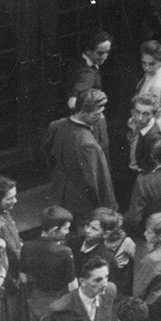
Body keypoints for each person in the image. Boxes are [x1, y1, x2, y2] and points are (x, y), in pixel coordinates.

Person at [47, 90, 118, 225]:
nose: (101, 117)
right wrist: (109, 209)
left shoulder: (55, 126)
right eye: (97, 114)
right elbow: (98, 181)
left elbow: (49, 157)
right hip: (82, 206)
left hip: (58, 194)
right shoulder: (88, 146)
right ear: (83, 112)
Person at [22, 207, 76, 321]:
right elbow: (73, 286)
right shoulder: (64, 252)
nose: (67, 232)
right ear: (54, 230)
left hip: (36, 301)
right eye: (65, 228)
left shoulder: (27, 246)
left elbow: (23, 278)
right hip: (59, 301)